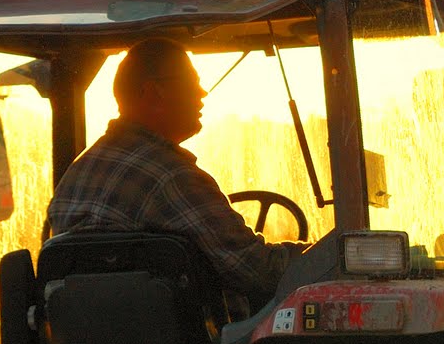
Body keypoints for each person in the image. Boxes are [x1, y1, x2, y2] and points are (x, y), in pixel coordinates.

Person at [47, 37, 298, 305]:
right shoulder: (173, 177)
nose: (202, 93)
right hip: (195, 333)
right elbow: (256, 271)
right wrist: (319, 253)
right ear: (154, 92)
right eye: (191, 82)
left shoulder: (76, 174)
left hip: (91, 331)